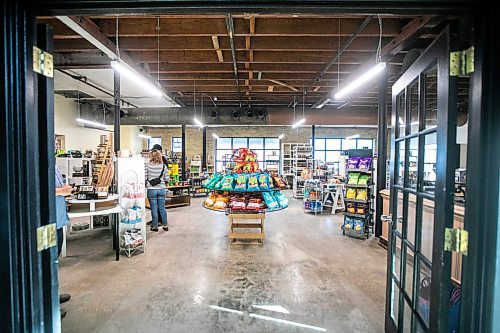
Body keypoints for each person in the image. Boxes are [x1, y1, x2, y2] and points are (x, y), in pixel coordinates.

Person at [55, 166, 73, 318]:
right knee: (46, 262)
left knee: (54, 261)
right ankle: (48, 304)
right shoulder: (39, 165)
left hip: (58, 220)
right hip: (48, 223)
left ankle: (53, 294)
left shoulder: (53, 167)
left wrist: (65, 189)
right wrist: (61, 191)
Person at [145, 149, 169, 232]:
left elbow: (145, 177)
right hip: (161, 189)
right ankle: (165, 225)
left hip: (151, 189)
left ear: (151, 156)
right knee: (162, 208)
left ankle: (155, 226)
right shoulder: (163, 166)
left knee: (154, 209)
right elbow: (167, 178)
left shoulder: (147, 165)